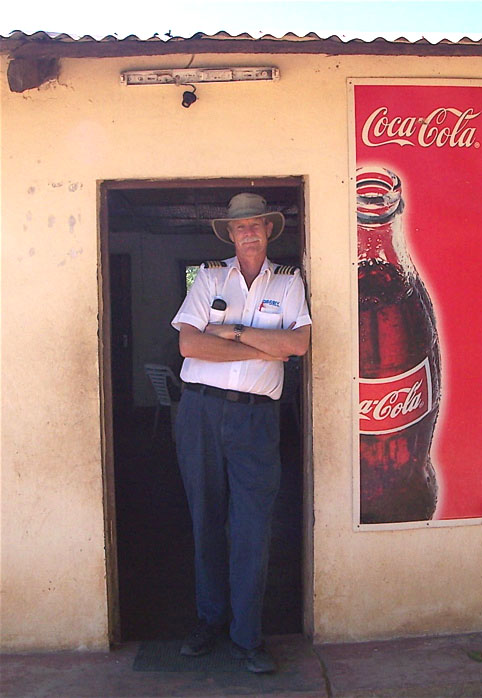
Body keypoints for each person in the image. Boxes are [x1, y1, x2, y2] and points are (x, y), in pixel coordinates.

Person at [170, 193, 311, 673]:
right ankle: (209, 620)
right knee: (206, 518)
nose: (247, 232)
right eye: (239, 226)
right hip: (201, 414)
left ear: (269, 230)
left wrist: (228, 333)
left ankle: (248, 636)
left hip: (256, 420)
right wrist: (261, 346)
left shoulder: (290, 282)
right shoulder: (209, 276)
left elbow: (296, 344)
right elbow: (189, 344)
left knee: (253, 526)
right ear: (229, 234)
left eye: (255, 224)